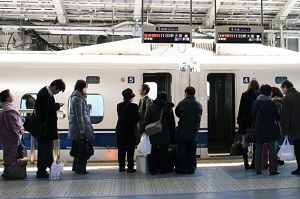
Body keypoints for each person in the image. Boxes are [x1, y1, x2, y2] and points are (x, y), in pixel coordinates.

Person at [35, 79, 65, 178]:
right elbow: (44, 109)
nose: (57, 93)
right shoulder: (43, 94)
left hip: (47, 130)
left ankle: (50, 168)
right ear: (54, 87)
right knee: (44, 150)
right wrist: (57, 106)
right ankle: (41, 171)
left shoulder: (47, 94)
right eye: (58, 90)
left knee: (47, 150)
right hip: (44, 130)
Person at [143, 91, 175, 175]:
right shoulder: (169, 108)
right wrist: (173, 136)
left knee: (152, 151)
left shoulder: (150, 107)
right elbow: (172, 123)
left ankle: (153, 169)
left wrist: (145, 130)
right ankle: (163, 169)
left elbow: (146, 121)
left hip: (153, 132)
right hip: (165, 134)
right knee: (164, 152)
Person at [252, 84, 280, 175]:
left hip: (258, 128)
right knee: (272, 149)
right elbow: (277, 117)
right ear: (269, 93)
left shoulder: (255, 103)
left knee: (258, 149)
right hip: (270, 129)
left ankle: (258, 170)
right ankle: (273, 170)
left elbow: (253, 117)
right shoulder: (271, 104)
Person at [68, 80, 94, 174]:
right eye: (85, 87)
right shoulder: (78, 98)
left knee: (78, 148)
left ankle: (76, 167)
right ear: (81, 87)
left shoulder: (77, 97)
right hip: (79, 129)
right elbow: (79, 115)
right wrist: (82, 129)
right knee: (82, 150)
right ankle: (81, 169)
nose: (86, 89)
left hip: (77, 128)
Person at [175, 86, 202, 174]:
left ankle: (182, 169)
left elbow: (177, 113)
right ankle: (191, 169)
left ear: (186, 93)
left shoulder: (182, 103)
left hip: (182, 133)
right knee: (192, 152)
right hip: (194, 133)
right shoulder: (199, 105)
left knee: (182, 152)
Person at [0, 89, 25, 178]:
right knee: (12, 154)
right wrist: (20, 130)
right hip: (12, 136)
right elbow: (14, 125)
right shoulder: (9, 110)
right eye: (11, 95)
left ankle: (9, 172)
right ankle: (11, 173)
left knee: (9, 153)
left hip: (8, 136)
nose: (13, 96)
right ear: (7, 98)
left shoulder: (8, 108)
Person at [115, 88, 140, 173]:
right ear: (131, 98)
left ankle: (121, 166)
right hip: (130, 131)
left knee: (121, 150)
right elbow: (138, 118)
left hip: (120, 130)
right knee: (130, 150)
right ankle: (130, 167)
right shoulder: (134, 106)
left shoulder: (119, 105)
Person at [237, 79, 260, 170]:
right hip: (255, 121)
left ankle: (246, 163)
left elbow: (241, 109)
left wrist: (238, 122)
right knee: (256, 142)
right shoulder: (258, 96)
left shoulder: (244, 95)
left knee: (244, 141)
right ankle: (254, 163)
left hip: (245, 121)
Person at [281, 80, 300, 175]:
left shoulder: (287, 98)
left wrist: (285, 130)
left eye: (283, 89)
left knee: (297, 148)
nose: (283, 91)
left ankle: (299, 167)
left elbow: (286, 116)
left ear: (286, 87)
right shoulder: (299, 94)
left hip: (295, 128)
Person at [271, 86, 285, 166]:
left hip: (276, 125)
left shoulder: (276, 102)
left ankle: (278, 158)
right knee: (275, 142)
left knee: (274, 143)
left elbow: (277, 114)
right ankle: (279, 158)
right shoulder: (281, 101)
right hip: (279, 124)